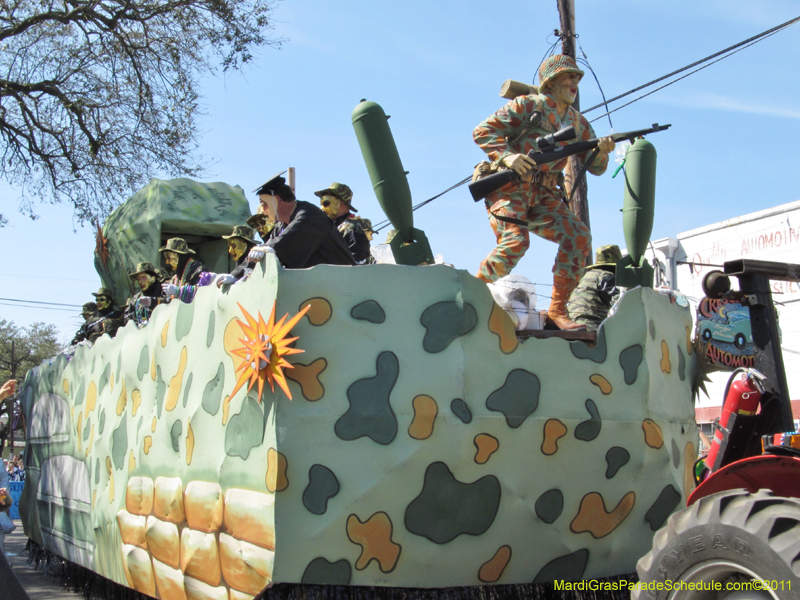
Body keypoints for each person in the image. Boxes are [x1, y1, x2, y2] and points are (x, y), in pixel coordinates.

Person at [473, 54, 616, 330]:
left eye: (577, 77)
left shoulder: (578, 122)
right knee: (515, 243)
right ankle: (473, 291)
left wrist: (601, 150)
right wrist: (507, 157)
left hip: (543, 194)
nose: (575, 82)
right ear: (551, 81)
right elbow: (483, 131)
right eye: (569, 76)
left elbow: (597, 167)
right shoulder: (528, 105)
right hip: (510, 187)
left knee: (578, 236)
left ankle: (558, 312)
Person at [248, 174, 356, 269]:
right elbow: (269, 245)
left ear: (276, 200)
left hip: (342, 285)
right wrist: (236, 275)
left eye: (264, 204)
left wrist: (267, 249)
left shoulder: (310, 215)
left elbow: (286, 240)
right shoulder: (281, 225)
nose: (263, 211)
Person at [567, 244, 625, 331]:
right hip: (591, 325)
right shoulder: (607, 276)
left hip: (572, 322)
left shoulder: (587, 277)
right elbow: (620, 302)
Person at [315, 182, 372, 264]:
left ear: (340, 203)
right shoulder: (334, 227)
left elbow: (357, 264)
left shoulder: (351, 228)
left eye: (326, 203)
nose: (322, 208)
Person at [159, 237, 212, 303]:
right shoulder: (176, 278)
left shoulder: (198, 270)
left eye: (169, 258)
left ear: (179, 257)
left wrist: (178, 291)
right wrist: (152, 301)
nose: (167, 262)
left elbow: (203, 292)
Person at [124, 261, 166, 327]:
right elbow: (127, 317)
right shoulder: (135, 299)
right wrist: (137, 324)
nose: (140, 282)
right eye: (138, 279)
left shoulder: (164, 291)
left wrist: (154, 302)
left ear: (152, 278)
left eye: (143, 278)